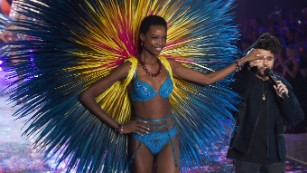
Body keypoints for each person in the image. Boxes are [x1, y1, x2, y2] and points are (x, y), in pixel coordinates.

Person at [79, 15, 262, 173]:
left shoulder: (168, 65)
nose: (160, 43)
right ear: (142, 37)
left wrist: (243, 60)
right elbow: (87, 96)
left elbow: (208, 79)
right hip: (142, 137)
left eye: (163, 38)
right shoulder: (129, 68)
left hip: (169, 135)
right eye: (155, 37)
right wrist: (119, 126)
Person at [226, 33, 304, 173]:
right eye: (260, 58)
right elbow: (232, 102)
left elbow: (296, 118)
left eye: (269, 58)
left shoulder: (281, 84)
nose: (265, 63)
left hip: (274, 157)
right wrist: (247, 68)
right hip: (246, 156)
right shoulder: (244, 81)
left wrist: (285, 99)